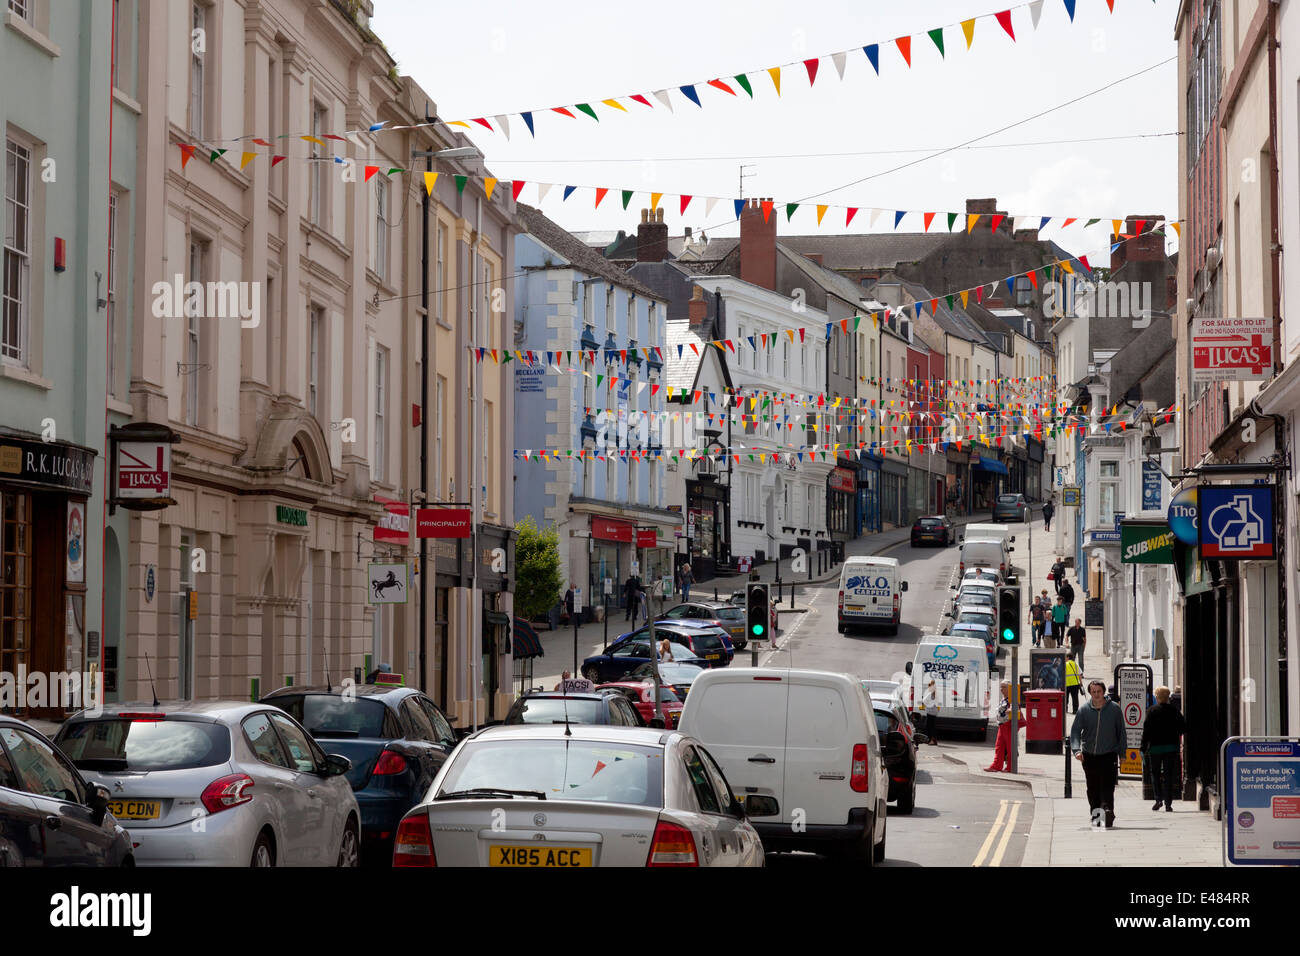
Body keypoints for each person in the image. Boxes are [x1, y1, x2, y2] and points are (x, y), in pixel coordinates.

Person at [1070, 679, 1127, 827]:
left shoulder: (1114, 709)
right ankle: (1096, 815)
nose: (1096, 694)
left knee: (1108, 785)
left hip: (1109, 754)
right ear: (1090, 693)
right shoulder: (1084, 710)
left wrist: (1122, 754)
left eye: (1099, 692)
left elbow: (1121, 732)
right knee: (1093, 787)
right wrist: (1076, 750)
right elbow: (1075, 731)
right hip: (1089, 755)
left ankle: (1107, 811)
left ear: (1103, 692)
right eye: (1093, 692)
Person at [1141, 686, 1186, 812]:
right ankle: (1168, 804)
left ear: (1157, 697)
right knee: (1169, 775)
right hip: (1171, 748)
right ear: (1167, 697)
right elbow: (1183, 728)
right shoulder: (1174, 710)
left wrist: (1143, 747)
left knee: (1155, 774)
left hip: (1155, 748)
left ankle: (1158, 799)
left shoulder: (1151, 711)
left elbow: (1146, 731)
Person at [985, 681, 1022, 773]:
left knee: (1010, 747)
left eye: (1004, 687)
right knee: (999, 747)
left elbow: (1015, 708)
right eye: (1001, 687)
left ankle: (1010, 767)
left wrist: (1010, 710)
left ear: (1009, 688)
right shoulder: (1004, 699)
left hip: (1008, 725)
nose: (1001, 689)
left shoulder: (1012, 698)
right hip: (1002, 725)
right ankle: (996, 766)